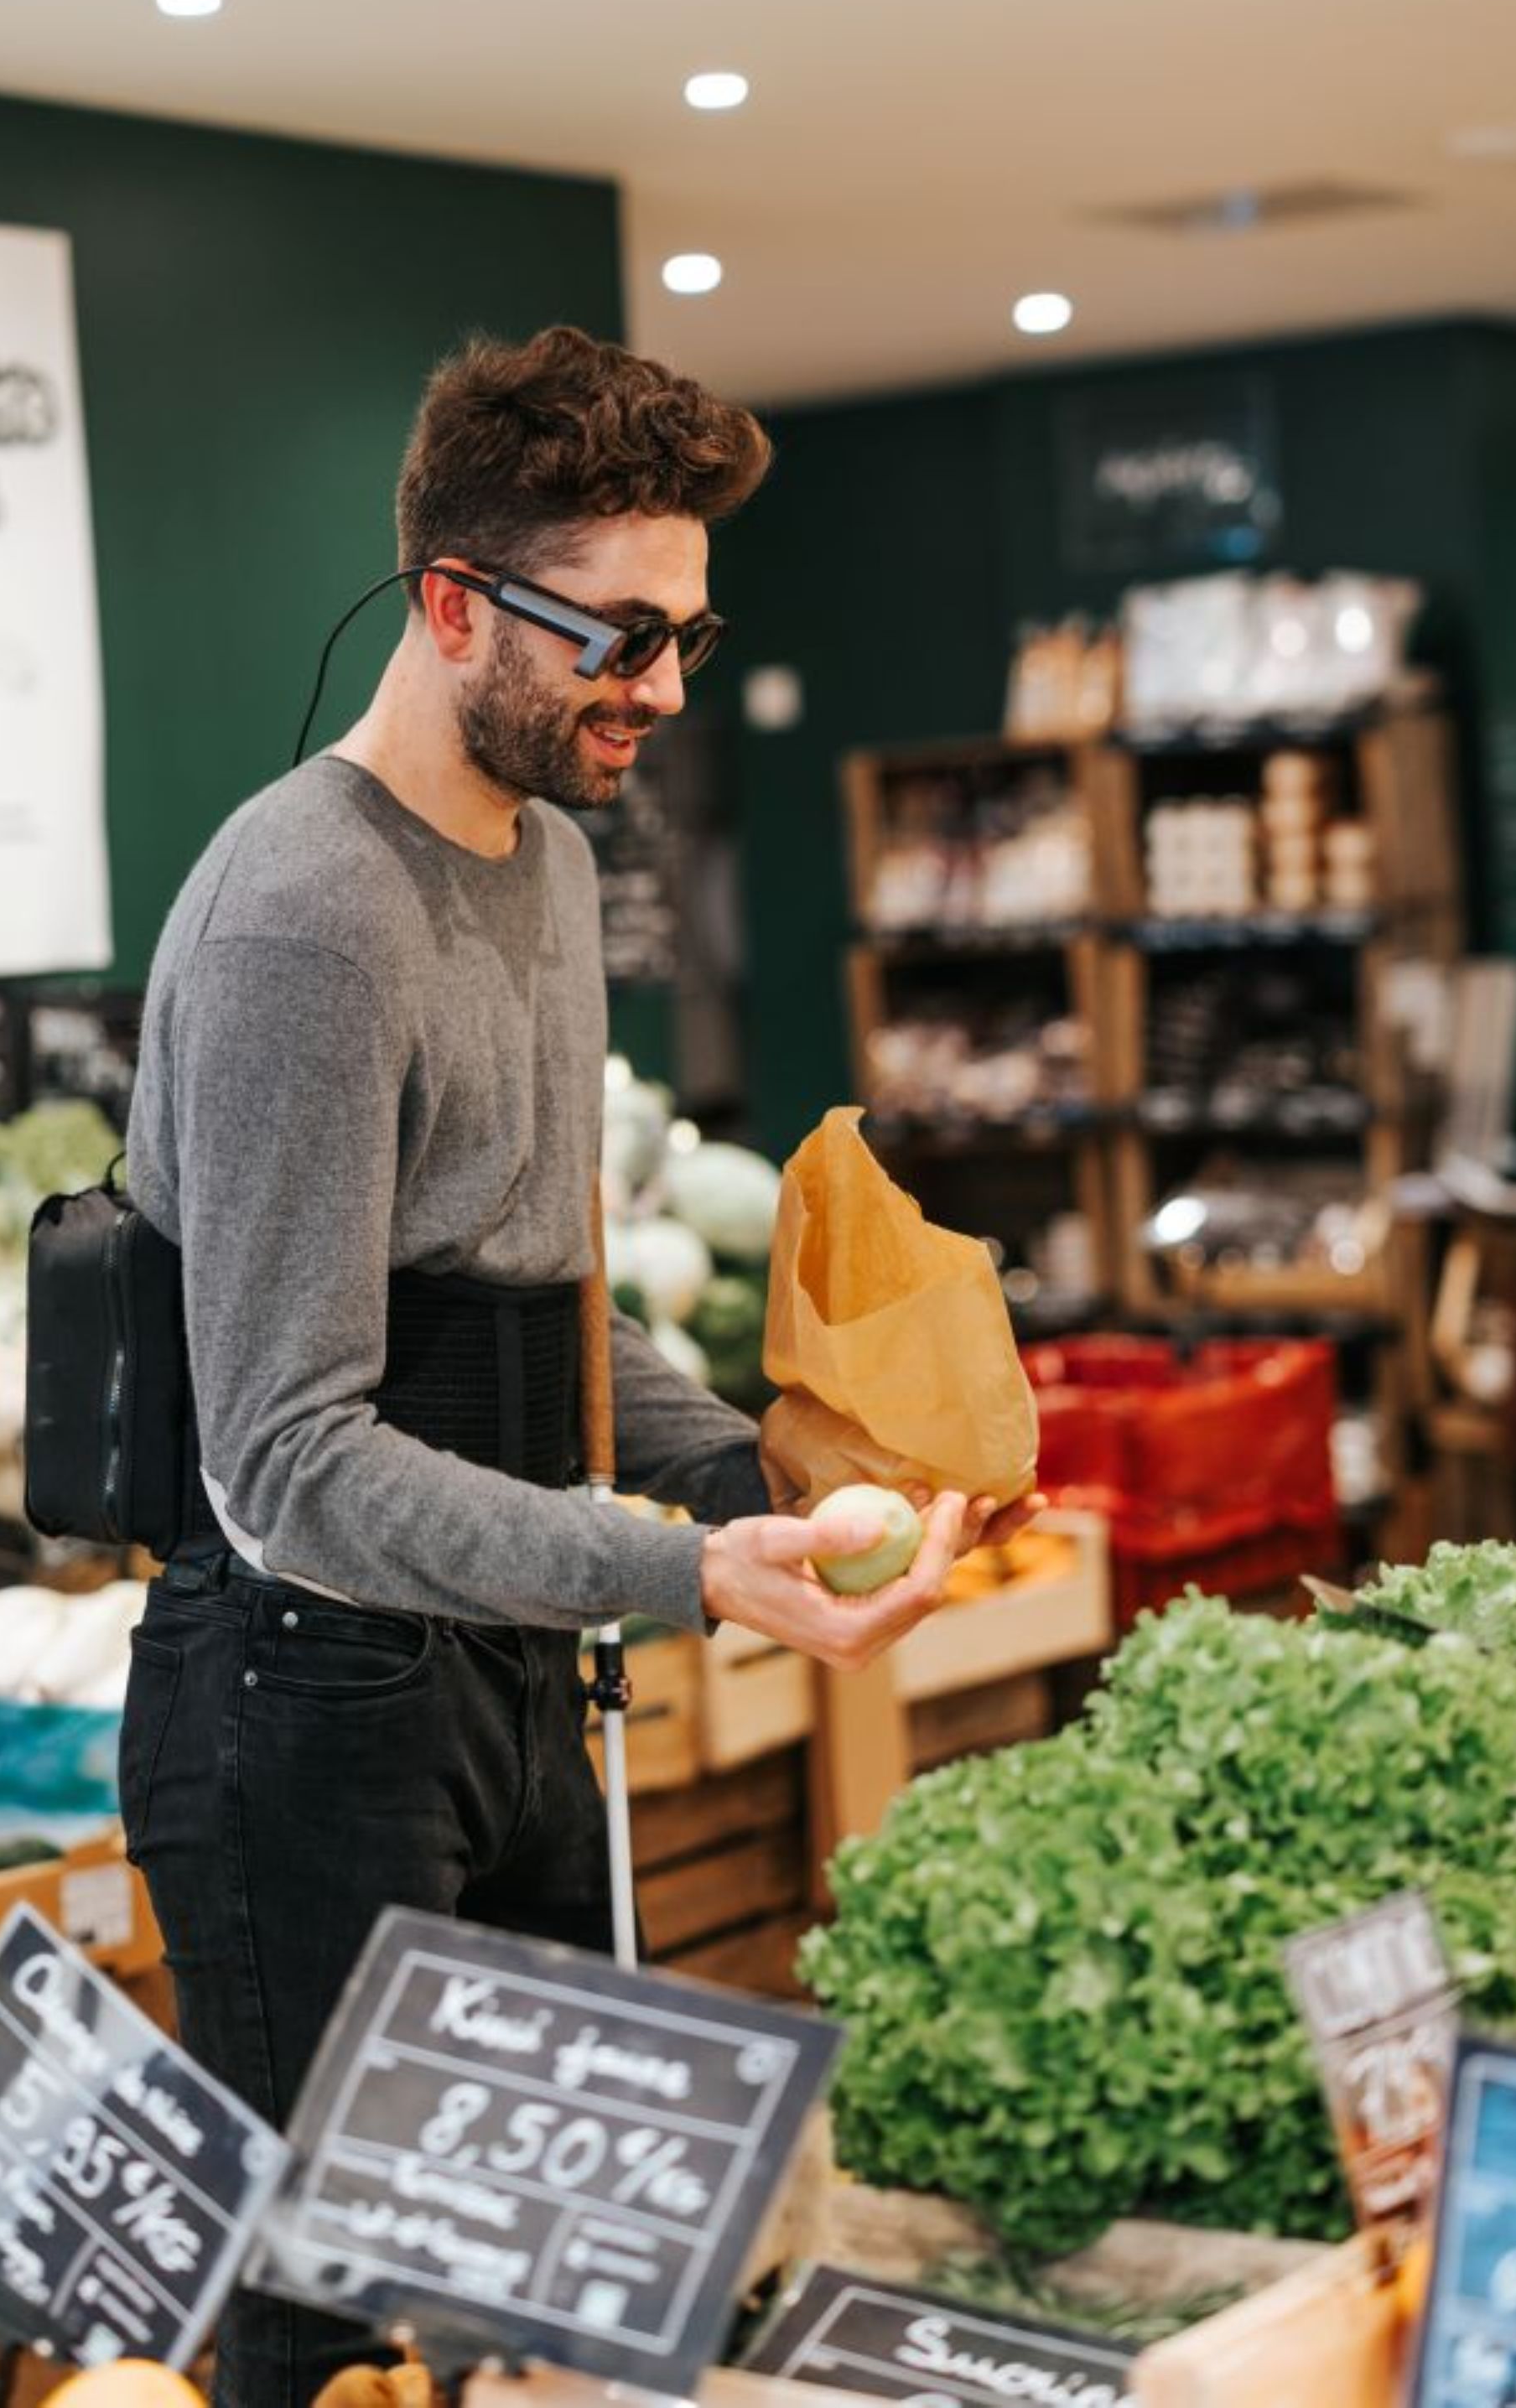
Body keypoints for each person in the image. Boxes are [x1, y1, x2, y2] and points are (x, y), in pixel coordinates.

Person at [121, 324, 1030, 2404]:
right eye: (622, 640)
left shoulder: (545, 856)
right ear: (455, 605)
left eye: (694, 638)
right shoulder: (299, 922)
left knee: (567, 2293)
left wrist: (750, 1479)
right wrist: (690, 1577)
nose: (667, 696)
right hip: (300, 1707)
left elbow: (545, 1296)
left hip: (509, 1670)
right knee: (336, 2324)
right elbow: (288, 1462)